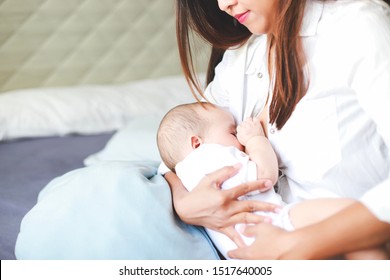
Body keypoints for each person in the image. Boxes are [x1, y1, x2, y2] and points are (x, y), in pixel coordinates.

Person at [162, 0, 390, 259]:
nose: (224, 4)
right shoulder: (240, 57)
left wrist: (296, 245)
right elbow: (178, 144)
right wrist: (182, 201)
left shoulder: (357, 28)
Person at [157, 102, 388, 259]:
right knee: (351, 216)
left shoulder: (184, 172)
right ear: (197, 142)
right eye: (232, 133)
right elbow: (264, 177)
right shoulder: (211, 155)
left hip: (244, 253)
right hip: (275, 224)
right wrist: (256, 139)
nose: (238, 137)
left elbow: (163, 164)